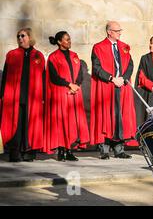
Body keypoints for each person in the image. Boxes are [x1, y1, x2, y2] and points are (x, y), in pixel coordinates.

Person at [90, 21, 136, 160]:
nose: (120, 33)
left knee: (120, 115)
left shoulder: (124, 47)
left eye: (120, 30)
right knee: (106, 115)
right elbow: (97, 67)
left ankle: (119, 149)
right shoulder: (98, 47)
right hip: (107, 86)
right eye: (117, 31)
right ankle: (104, 149)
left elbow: (130, 64)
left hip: (121, 85)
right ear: (109, 32)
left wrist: (123, 78)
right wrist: (111, 78)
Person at [0, 28, 45, 162]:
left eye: (23, 36)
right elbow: (6, 75)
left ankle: (29, 153)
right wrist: (2, 94)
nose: (20, 38)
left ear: (30, 37)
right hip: (14, 96)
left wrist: (43, 97)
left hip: (33, 97)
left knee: (30, 124)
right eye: (18, 36)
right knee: (16, 124)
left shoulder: (38, 56)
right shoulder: (12, 54)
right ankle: (15, 153)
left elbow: (43, 77)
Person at [44, 31, 89, 161]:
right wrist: (69, 84)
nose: (69, 42)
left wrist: (76, 85)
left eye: (69, 39)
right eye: (66, 40)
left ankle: (69, 150)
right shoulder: (54, 57)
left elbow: (80, 73)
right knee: (62, 122)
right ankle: (61, 150)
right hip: (61, 93)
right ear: (59, 42)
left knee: (73, 123)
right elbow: (54, 77)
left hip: (74, 94)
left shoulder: (74, 56)